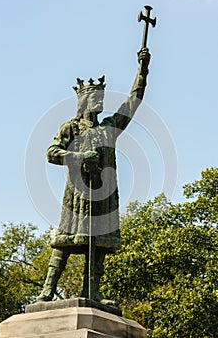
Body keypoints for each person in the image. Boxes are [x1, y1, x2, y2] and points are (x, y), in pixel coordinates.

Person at [37, 47, 151, 305]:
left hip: (104, 194)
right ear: (85, 101)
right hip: (77, 196)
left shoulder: (109, 128)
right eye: (96, 97)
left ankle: (92, 291)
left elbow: (132, 102)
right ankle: (47, 290)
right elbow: (52, 152)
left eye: (101, 97)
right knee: (65, 241)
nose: (100, 101)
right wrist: (78, 158)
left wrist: (142, 71)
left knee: (98, 244)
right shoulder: (71, 127)